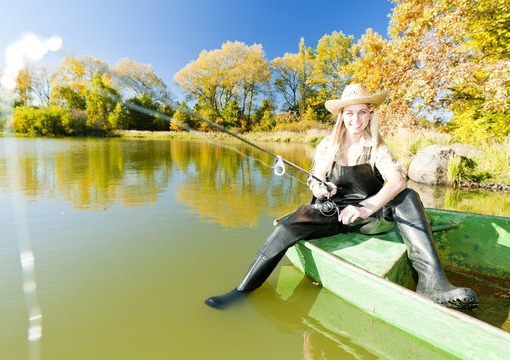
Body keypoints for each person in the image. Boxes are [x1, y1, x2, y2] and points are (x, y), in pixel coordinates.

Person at [205, 83, 478, 310]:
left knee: (408, 195)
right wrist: (320, 189)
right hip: (333, 212)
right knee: (287, 225)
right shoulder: (327, 145)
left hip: (371, 218)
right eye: (349, 113)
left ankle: (432, 283)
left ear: (370, 114)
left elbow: (397, 180)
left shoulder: (377, 146)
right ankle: (243, 290)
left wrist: (366, 207)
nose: (355, 119)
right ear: (342, 115)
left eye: (362, 112)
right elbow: (314, 181)